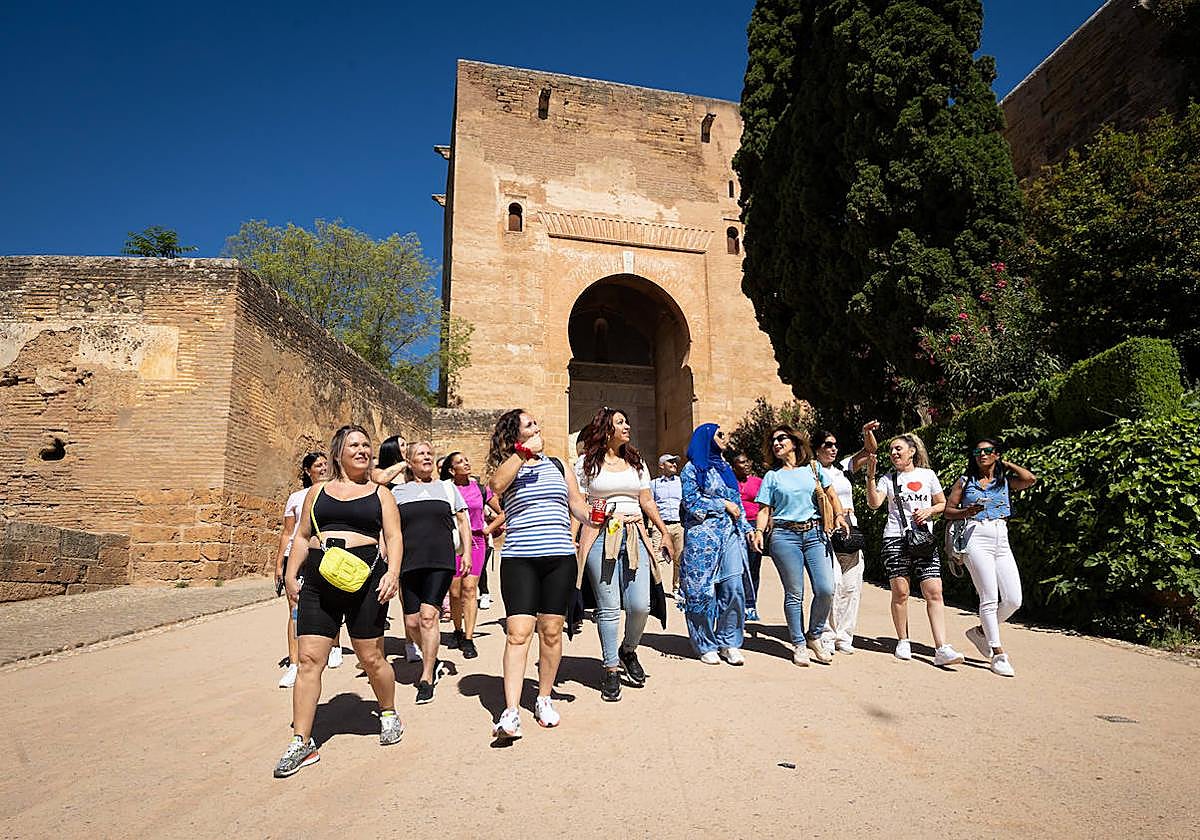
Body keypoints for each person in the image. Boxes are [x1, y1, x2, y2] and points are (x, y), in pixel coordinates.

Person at [275, 424, 403, 778]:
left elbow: (393, 536)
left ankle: (388, 711)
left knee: (371, 656)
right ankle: (302, 741)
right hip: (319, 577)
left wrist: (393, 573)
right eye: (354, 445)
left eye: (366, 445)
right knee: (308, 660)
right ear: (338, 453)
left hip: (366, 579)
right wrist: (290, 573)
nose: (362, 450)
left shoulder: (381, 494)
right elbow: (302, 536)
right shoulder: (317, 492)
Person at [487, 409, 593, 739]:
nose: (538, 428)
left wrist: (593, 516)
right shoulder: (509, 464)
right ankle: (510, 711)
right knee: (518, 632)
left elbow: (575, 503)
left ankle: (543, 698)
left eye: (536, 423)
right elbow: (496, 486)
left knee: (551, 631)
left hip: (559, 557)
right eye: (529, 424)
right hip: (520, 558)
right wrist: (523, 454)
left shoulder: (559, 465)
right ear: (514, 435)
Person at [575, 407, 675, 701]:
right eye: (621, 422)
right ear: (607, 429)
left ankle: (628, 650)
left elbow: (646, 499)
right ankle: (610, 668)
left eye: (626, 421)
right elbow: (577, 503)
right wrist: (572, 541)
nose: (627, 426)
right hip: (599, 536)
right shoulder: (586, 464)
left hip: (634, 533)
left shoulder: (636, 462)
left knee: (640, 604)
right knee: (607, 607)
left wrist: (664, 532)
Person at [864, 433, 966, 667]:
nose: (894, 453)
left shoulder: (927, 475)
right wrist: (870, 476)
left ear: (912, 451)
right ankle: (903, 640)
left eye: (898, 448)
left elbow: (942, 503)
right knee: (900, 592)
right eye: (891, 450)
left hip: (924, 540)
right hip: (895, 539)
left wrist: (929, 511)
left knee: (934, 591)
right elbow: (874, 503)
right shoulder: (887, 479)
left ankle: (941, 648)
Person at [751, 425, 848, 666]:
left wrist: (839, 516)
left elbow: (832, 495)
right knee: (794, 593)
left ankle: (814, 635)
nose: (776, 443)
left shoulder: (813, 468)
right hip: (784, 537)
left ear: (794, 442)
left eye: (781, 438)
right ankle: (798, 644)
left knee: (826, 588)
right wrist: (758, 532)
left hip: (815, 533)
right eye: (773, 440)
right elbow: (764, 509)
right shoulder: (772, 476)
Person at [944, 437, 1036, 677]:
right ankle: (998, 653)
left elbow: (1030, 479)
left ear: (996, 454)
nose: (982, 455)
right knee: (989, 597)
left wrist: (1006, 463)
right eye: (978, 451)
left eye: (988, 451)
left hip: (1000, 536)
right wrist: (966, 511)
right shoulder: (965, 481)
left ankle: (980, 632)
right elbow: (947, 511)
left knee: (1014, 599)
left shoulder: (1004, 481)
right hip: (976, 536)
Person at [394, 442, 471, 703]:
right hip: (408, 562)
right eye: (420, 455)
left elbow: (463, 521)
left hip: (440, 560)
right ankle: (433, 656)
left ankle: (426, 675)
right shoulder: (398, 492)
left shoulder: (446, 488)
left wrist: (468, 553)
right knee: (412, 622)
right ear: (410, 461)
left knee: (429, 616)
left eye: (429, 454)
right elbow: (390, 529)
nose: (426, 458)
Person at [679, 423, 753, 665]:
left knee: (734, 587)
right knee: (702, 592)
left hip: (730, 535)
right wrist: (721, 505)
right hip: (703, 538)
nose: (725, 437)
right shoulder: (692, 470)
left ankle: (728, 641)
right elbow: (690, 501)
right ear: (707, 438)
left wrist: (749, 530)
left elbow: (737, 504)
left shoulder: (726, 469)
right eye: (720, 434)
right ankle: (704, 643)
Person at [274, 452, 337, 688]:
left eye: (325, 464)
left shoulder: (335, 492)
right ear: (307, 471)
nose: (322, 468)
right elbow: (287, 533)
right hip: (297, 556)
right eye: (317, 465)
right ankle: (294, 663)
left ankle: (334, 646)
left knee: (331, 602)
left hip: (324, 555)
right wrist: (280, 564)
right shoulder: (296, 498)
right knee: (295, 611)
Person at [816, 421, 879, 655]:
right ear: (816, 448)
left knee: (852, 586)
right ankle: (827, 634)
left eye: (835, 445)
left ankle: (844, 636)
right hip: (825, 531)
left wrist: (867, 432)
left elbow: (870, 451)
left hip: (851, 529)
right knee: (833, 584)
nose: (833, 449)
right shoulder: (811, 471)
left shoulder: (842, 468)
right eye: (827, 445)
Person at [440, 451, 503, 659]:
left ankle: (468, 637)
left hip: (476, 542)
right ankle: (457, 630)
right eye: (460, 462)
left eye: (466, 459)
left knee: (470, 589)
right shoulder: (445, 489)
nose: (466, 463)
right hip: (453, 543)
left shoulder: (481, 489)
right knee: (455, 591)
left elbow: (504, 510)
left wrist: (489, 528)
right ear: (451, 470)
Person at [375, 435, 422, 664]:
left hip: (409, 538)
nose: (407, 448)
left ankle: (410, 642)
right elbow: (381, 479)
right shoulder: (379, 472)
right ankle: (376, 647)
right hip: (385, 538)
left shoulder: (414, 477)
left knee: (408, 597)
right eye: (403, 445)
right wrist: (405, 463)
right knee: (379, 597)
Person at [729, 452, 763, 622]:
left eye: (747, 461)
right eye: (741, 463)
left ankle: (751, 604)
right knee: (738, 566)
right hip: (735, 525)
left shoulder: (758, 482)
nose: (746, 465)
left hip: (755, 524)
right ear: (734, 467)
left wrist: (766, 523)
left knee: (753, 565)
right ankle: (737, 603)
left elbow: (766, 504)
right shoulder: (729, 482)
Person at [649, 454, 685, 597]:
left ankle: (677, 589)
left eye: (675, 462)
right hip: (660, 525)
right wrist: (650, 526)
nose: (674, 465)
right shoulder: (654, 484)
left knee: (679, 558)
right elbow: (649, 505)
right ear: (661, 465)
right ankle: (656, 590)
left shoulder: (682, 482)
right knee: (657, 558)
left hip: (678, 525)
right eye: (670, 462)